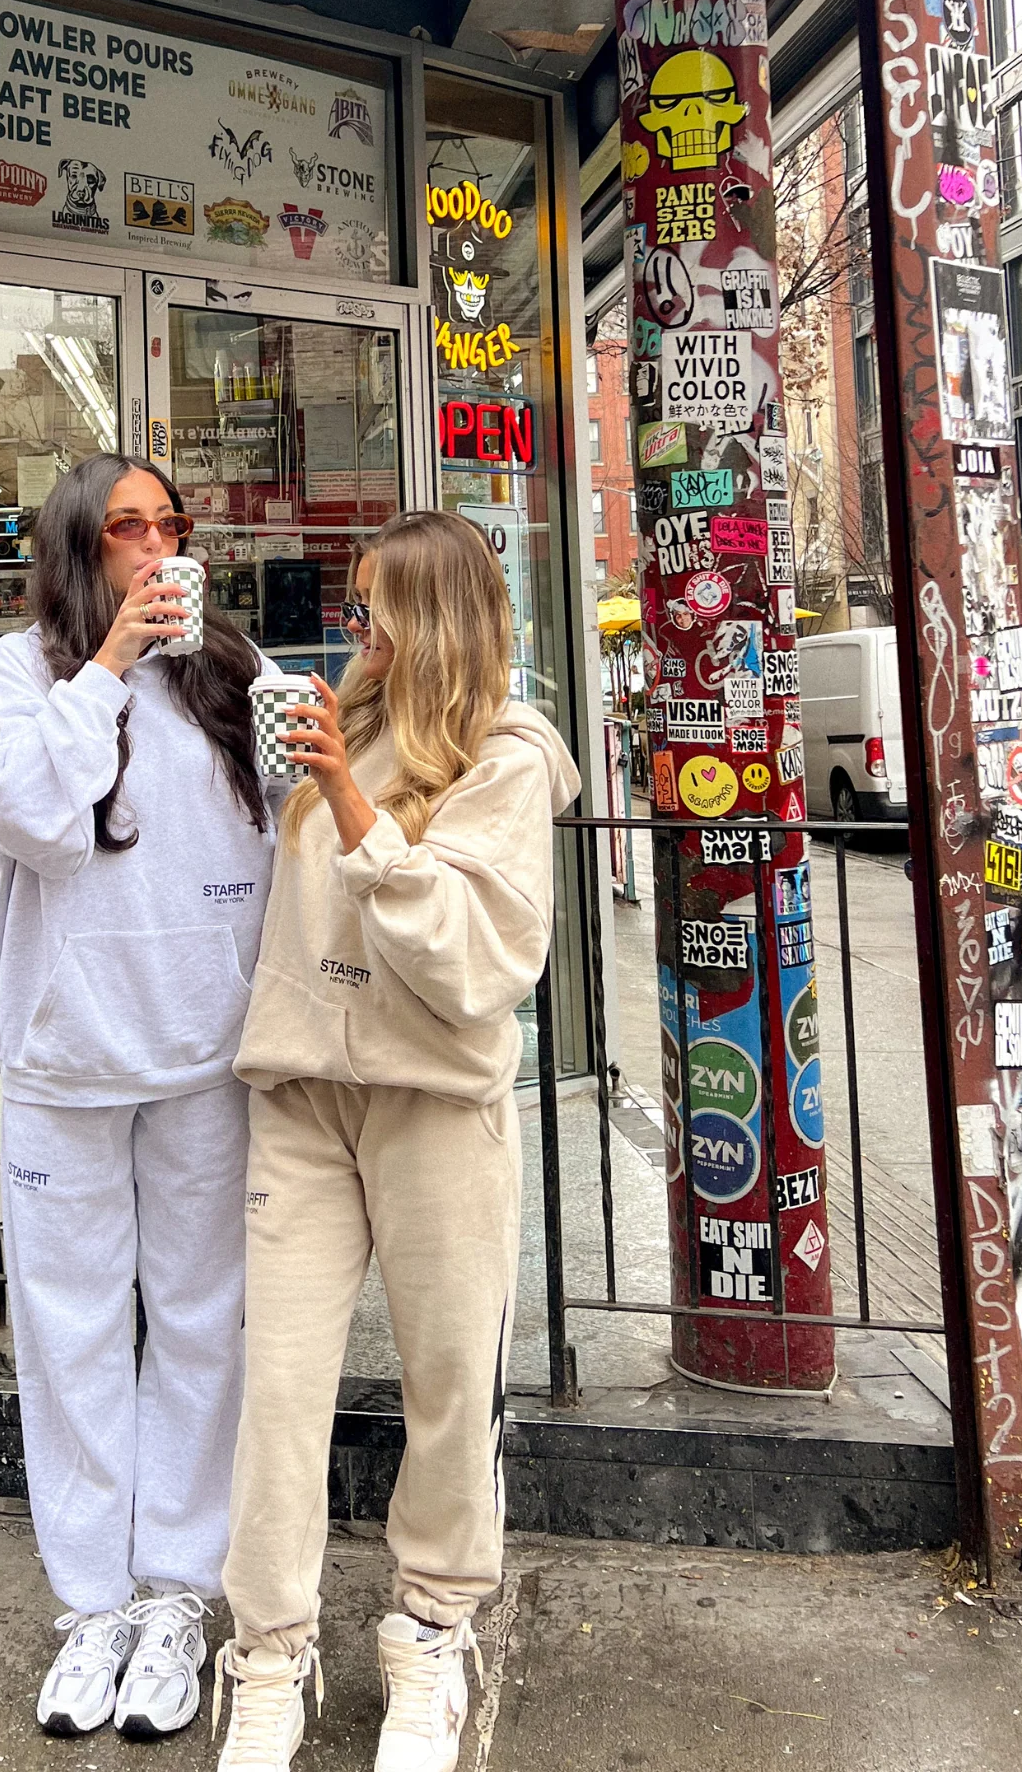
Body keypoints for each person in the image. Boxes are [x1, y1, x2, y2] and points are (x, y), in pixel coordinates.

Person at [213, 509, 579, 1772]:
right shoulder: (343, 726)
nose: (355, 628)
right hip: (303, 1098)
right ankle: (268, 1653)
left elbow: (475, 961)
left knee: (448, 1383)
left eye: (373, 608)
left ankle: (430, 1631)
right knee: (277, 1387)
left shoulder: (510, 758)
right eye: (352, 606)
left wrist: (347, 803)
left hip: (434, 1103)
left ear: (431, 618)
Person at [0, 452, 276, 1741]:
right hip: (63, 1061)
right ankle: (90, 1600)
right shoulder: (22, 671)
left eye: (169, 525)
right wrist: (105, 666)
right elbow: (32, 816)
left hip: (205, 1054)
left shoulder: (228, 673)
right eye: (126, 528)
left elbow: (285, 826)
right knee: (72, 1334)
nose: (155, 547)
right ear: (78, 546)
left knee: (203, 1326)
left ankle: (176, 1591)